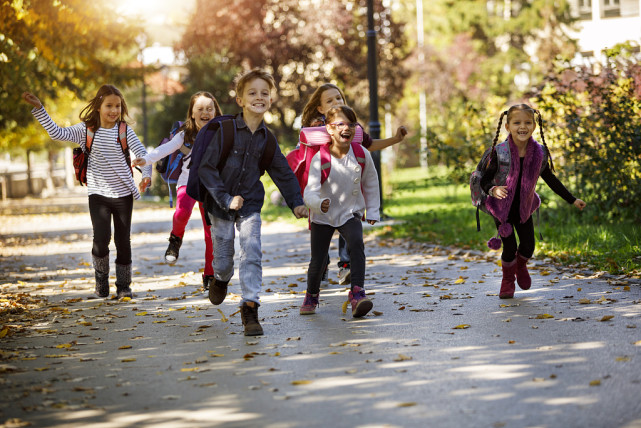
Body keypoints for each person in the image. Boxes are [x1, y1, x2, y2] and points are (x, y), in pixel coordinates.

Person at [198, 68, 308, 336]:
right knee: (223, 261)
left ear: (270, 100)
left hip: (250, 205)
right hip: (221, 206)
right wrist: (225, 198)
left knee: (252, 251)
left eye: (264, 93)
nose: (259, 97)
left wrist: (296, 202)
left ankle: (250, 308)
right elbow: (206, 169)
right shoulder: (224, 130)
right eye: (252, 93)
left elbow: (282, 172)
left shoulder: (268, 140)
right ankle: (221, 279)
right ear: (240, 100)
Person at [22, 85, 152, 299]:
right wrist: (39, 109)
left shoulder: (124, 130)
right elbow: (57, 133)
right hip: (98, 194)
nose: (113, 110)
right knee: (101, 239)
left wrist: (146, 175)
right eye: (109, 105)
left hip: (123, 195)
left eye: (117, 106)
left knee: (123, 241)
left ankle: (124, 286)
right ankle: (101, 282)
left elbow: (143, 154)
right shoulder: (86, 130)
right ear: (99, 106)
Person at [300, 83, 407, 286]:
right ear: (320, 108)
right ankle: (320, 268)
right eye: (329, 100)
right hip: (323, 191)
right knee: (320, 241)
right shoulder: (318, 127)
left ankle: (346, 267)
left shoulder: (350, 127)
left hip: (347, 191)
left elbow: (369, 144)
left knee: (349, 224)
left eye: (338, 98)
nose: (336, 102)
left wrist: (395, 139)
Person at [480, 104, 586, 299]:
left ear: (534, 126)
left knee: (528, 246)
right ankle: (507, 281)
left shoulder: (539, 154)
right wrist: (493, 190)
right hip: (502, 210)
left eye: (528, 122)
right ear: (507, 126)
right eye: (517, 122)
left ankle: (520, 266)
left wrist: (572, 199)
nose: (523, 126)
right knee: (510, 248)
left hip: (524, 208)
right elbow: (485, 179)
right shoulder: (500, 152)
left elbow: (551, 179)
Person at [132, 91, 222, 291]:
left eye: (209, 108)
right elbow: (165, 149)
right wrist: (146, 159)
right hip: (187, 181)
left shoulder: (222, 132)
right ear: (192, 113)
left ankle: (210, 274)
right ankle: (175, 240)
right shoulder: (185, 134)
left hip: (211, 186)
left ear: (216, 111)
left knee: (211, 233)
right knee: (181, 213)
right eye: (200, 109)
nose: (205, 112)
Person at [300, 105, 380, 318]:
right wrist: (318, 203)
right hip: (323, 215)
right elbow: (310, 190)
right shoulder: (321, 158)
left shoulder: (361, 154)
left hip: (349, 212)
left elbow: (371, 182)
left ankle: (357, 293)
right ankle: (311, 294)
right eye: (340, 124)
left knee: (356, 244)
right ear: (329, 129)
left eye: (352, 124)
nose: (347, 128)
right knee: (318, 260)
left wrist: (372, 211)